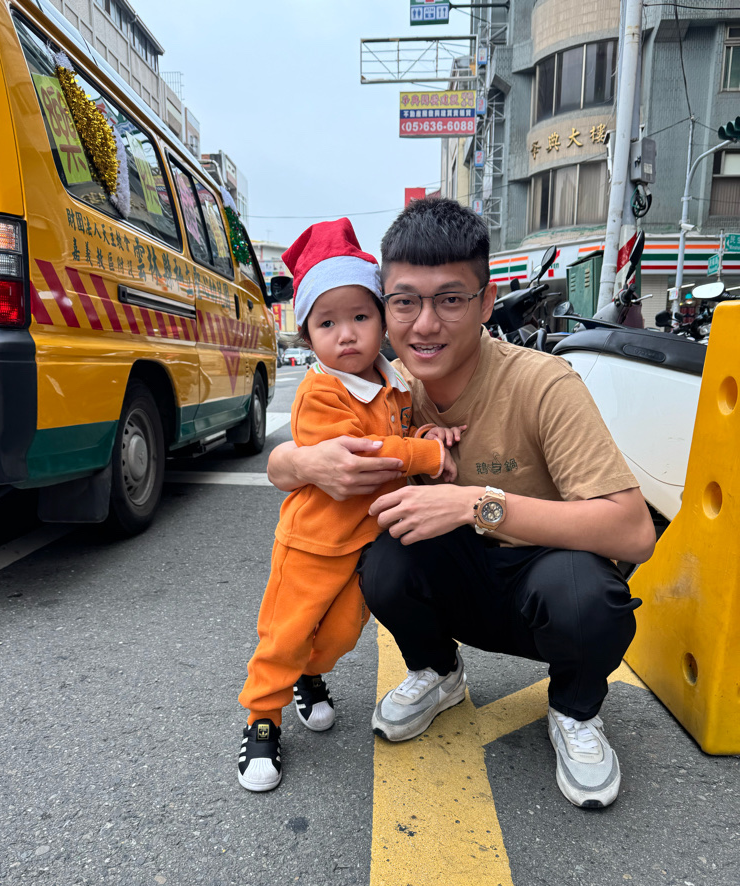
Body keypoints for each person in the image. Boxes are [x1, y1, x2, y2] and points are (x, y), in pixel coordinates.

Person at [267, 198, 656, 809]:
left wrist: (477, 504)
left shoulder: (543, 383)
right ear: (385, 307)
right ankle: (437, 672)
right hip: (458, 579)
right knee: (382, 558)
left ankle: (575, 710)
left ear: (486, 301)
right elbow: (288, 461)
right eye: (405, 302)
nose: (425, 325)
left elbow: (634, 532)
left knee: (588, 597)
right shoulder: (391, 390)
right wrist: (300, 463)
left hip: (541, 583)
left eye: (450, 299)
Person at [238, 218, 460, 792]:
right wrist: (426, 455)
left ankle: (310, 676)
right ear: (307, 334)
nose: (346, 335)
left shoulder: (394, 383)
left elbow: (401, 433)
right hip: (312, 545)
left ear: (382, 319)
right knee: (285, 634)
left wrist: (428, 435)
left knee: (338, 636)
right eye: (327, 323)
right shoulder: (320, 392)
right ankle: (262, 719)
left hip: (365, 543)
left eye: (360, 317)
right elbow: (367, 455)